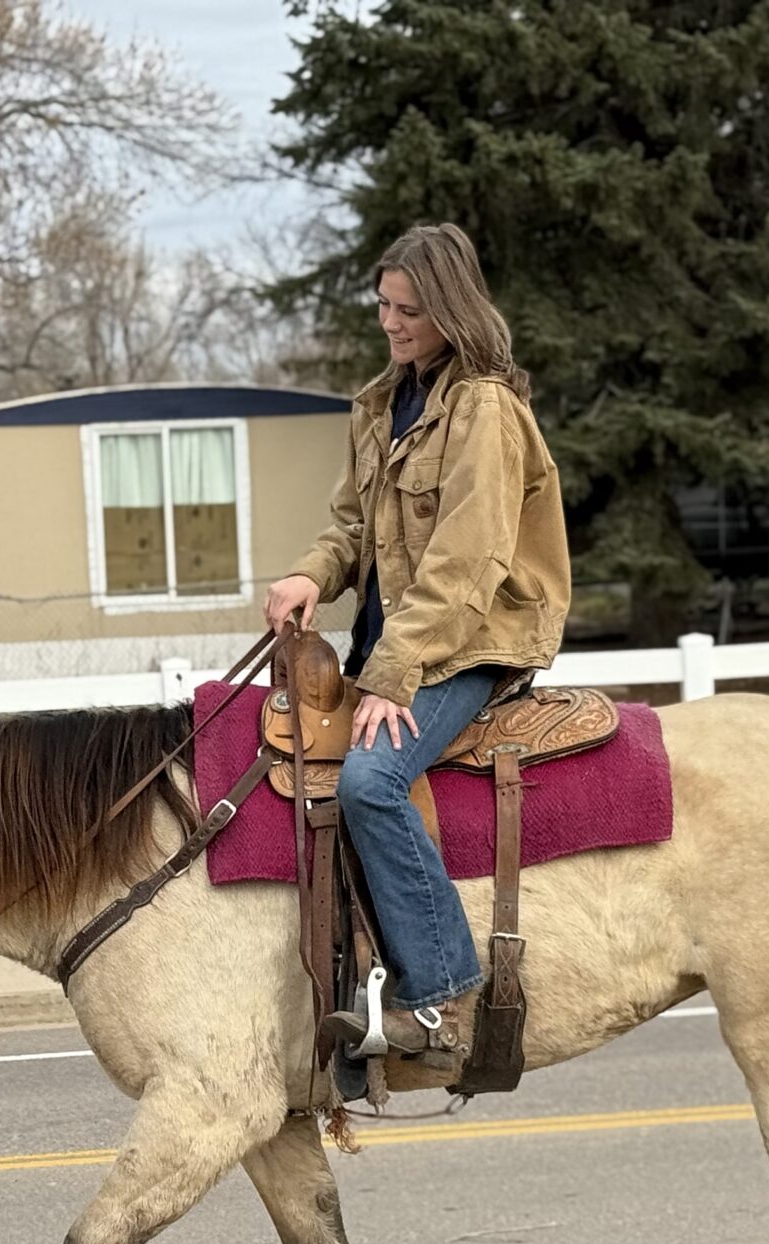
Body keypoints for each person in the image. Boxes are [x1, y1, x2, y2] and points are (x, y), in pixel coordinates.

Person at [263, 223, 572, 1075]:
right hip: (397, 640)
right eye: (382, 306)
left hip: (469, 641)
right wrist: (309, 578)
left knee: (370, 780)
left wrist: (393, 676)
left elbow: (468, 561)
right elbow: (352, 527)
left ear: (451, 310)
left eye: (408, 310)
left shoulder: (484, 409)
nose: (391, 324)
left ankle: (435, 991)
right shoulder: (380, 403)